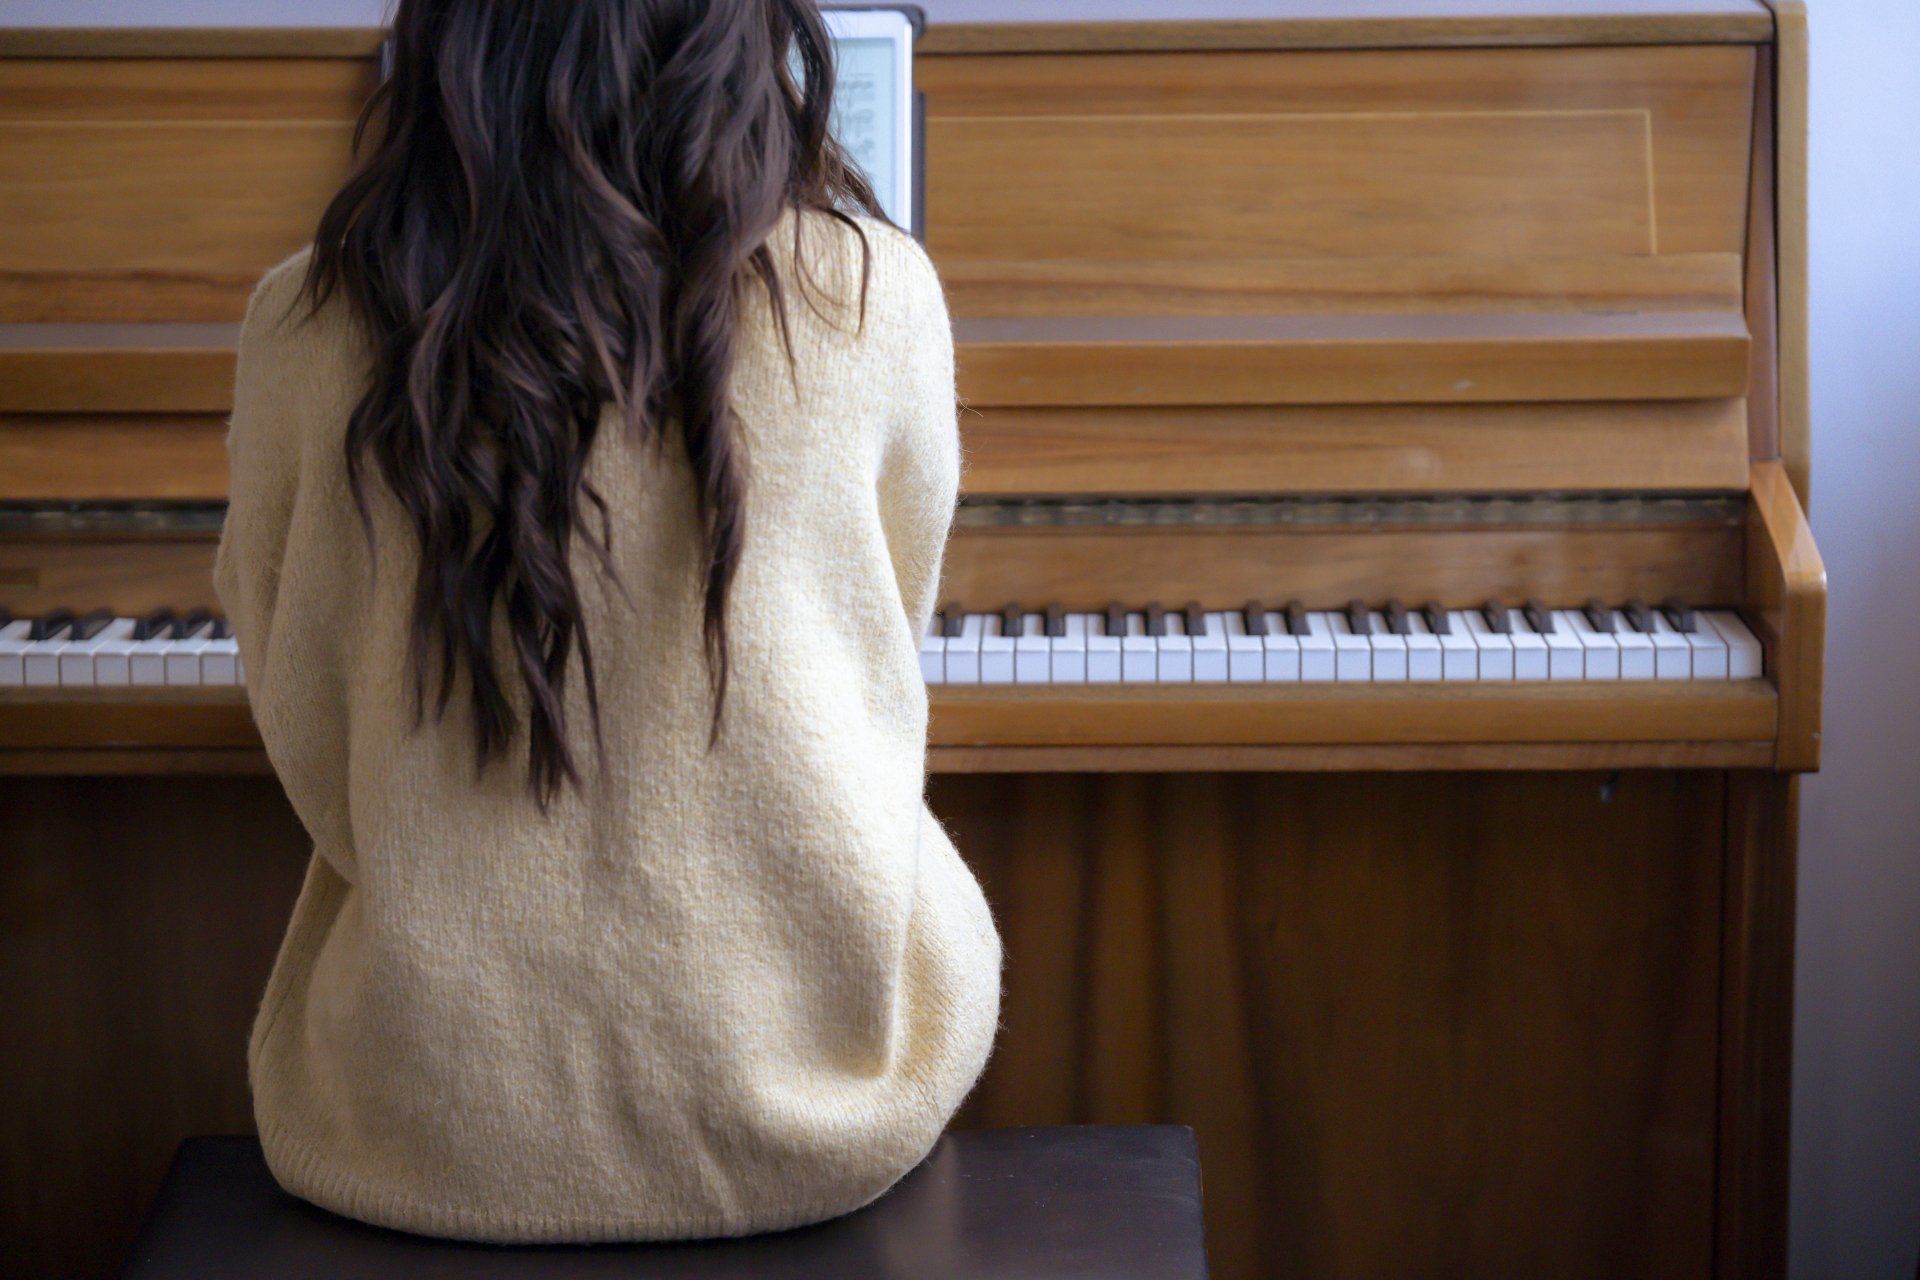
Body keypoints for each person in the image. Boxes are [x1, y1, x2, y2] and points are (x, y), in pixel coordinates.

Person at [214, 0, 1000, 1243]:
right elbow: (881, 676)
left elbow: (305, 729)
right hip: (814, 1108)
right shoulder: (875, 293)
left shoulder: (302, 320)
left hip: (423, 1117)